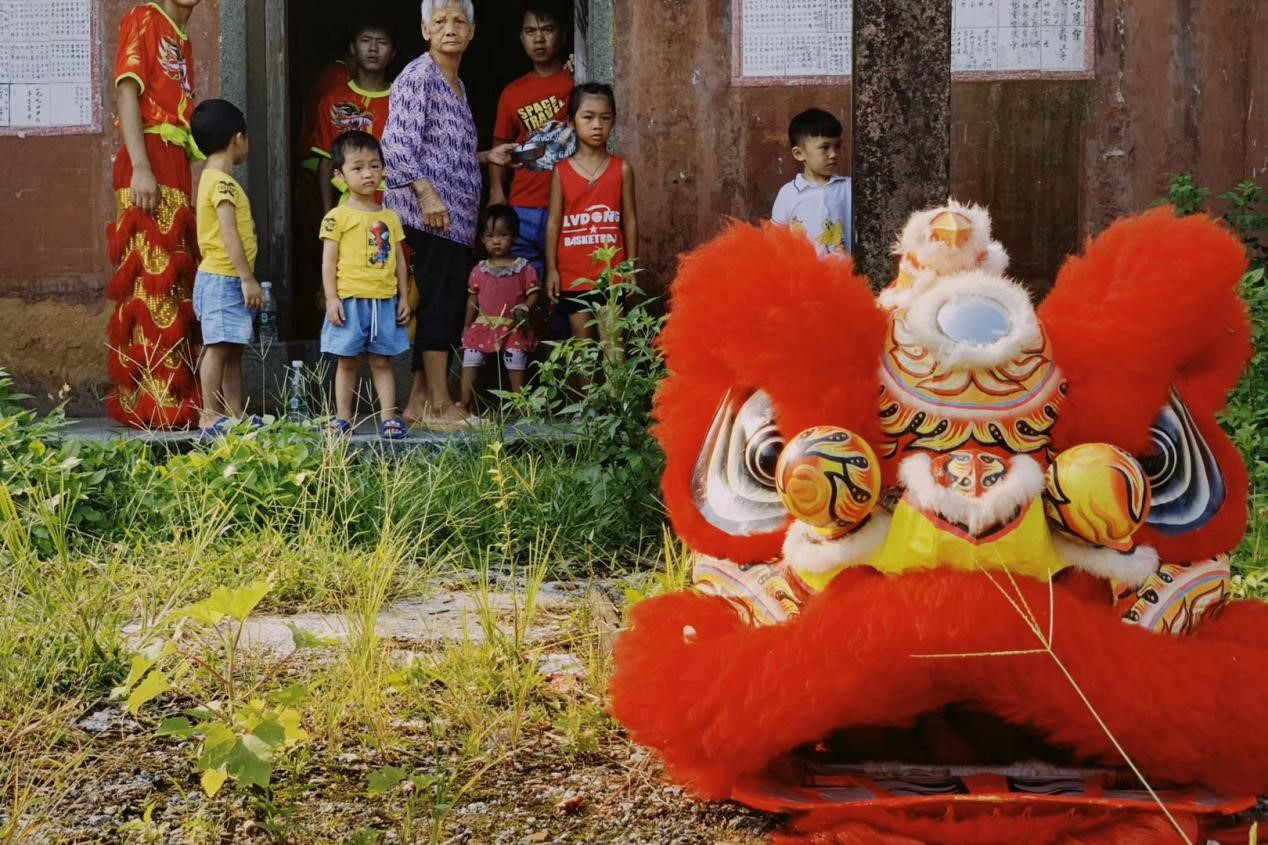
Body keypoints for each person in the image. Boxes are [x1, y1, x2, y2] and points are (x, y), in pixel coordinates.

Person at [381, 0, 517, 430]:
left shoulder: (457, 83)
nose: (450, 29)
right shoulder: (419, 76)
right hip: (429, 216)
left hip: (453, 219)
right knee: (441, 306)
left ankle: (418, 404)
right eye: (439, 21)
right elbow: (396, 148)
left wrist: (487, 156)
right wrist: (428, 196)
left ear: (472, 32)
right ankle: (441, 407)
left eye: (459, 21)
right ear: (425, 30)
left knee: (442, 302)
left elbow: (444, 154)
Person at [107, 0, 204, 429]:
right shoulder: (143, 17)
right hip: (148, 154)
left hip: (174, 157)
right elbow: (127, 92)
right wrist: (141, 166)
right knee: (153, 278)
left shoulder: (180, 34)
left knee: (176, 278)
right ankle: (154, 401)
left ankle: (177, 393)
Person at [319, 132, 412, 440]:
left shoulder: (390, 217)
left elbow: (400, 262)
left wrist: (404, 298)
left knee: (382, 361)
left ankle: (388, 417)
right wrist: (331, 298)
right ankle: (342, 418)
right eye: (357, 168)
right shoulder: (336, 217)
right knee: (347, 362)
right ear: (340, 176)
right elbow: (328, 261)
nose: (368, 174)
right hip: (349, 300)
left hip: (384, 300)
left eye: (374, 165)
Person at [190, 99, 262, 435]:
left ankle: (235, 414)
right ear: (238, 138)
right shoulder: (221, 183)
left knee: (233, 349)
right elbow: (228, 232)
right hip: (223, 279)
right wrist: (247, 279)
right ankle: (209, 414)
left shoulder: (214, 178)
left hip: (227, 278)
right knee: (218, 348)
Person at [545, 82, 637, 346]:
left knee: (614, 348)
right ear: (571, 122)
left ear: (613, 122)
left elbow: (629, 220)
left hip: (611, 273)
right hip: (573, 275)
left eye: (605, 118)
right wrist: (552, 269)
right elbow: (554, 222)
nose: (597, 125)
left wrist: (630, 266)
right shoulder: (561, 171)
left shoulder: (622, 169)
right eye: (588, 117)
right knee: (584, 350)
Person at [488, 2, 574, 278]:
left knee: (566, 283)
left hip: (567, 203)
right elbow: (499, 146)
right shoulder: (512, 93)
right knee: (524, 286)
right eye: (530, 31)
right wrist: (497, 192)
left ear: (562, 35)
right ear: (521, 38)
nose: (539, 38)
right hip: (522, 205)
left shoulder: (576, 81)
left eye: (547, 30)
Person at [459, 205, 540, 412]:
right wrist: (467, 325)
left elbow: (533, 293)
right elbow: (472, 300)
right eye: (490, 236)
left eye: (503, 235)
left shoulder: (524, 267)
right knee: (471, 357)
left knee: (515, 357)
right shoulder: (479, 270)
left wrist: (527, 308)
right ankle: (464, 402)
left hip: (514, 327)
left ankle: (520, 403)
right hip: (483, 326)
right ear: (482, 239)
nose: (496, 241)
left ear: (514, 236)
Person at [312, 18, 396, 210]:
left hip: (396, 206)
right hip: (349, 210)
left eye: (382, 42)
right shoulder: (332, 100)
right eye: (365, 40)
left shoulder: (404, 100)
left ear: (393, 53)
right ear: (353, 48)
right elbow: (326, 161)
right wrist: (328, 214)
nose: (373, 48)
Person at [771, 108, 853, 256]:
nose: (833, 154)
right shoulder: (788, 194)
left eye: (837, 146)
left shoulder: (849, 188)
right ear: (799, 154)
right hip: (802, 269)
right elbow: (775, 241)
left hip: (845, 268)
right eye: (824, 147)